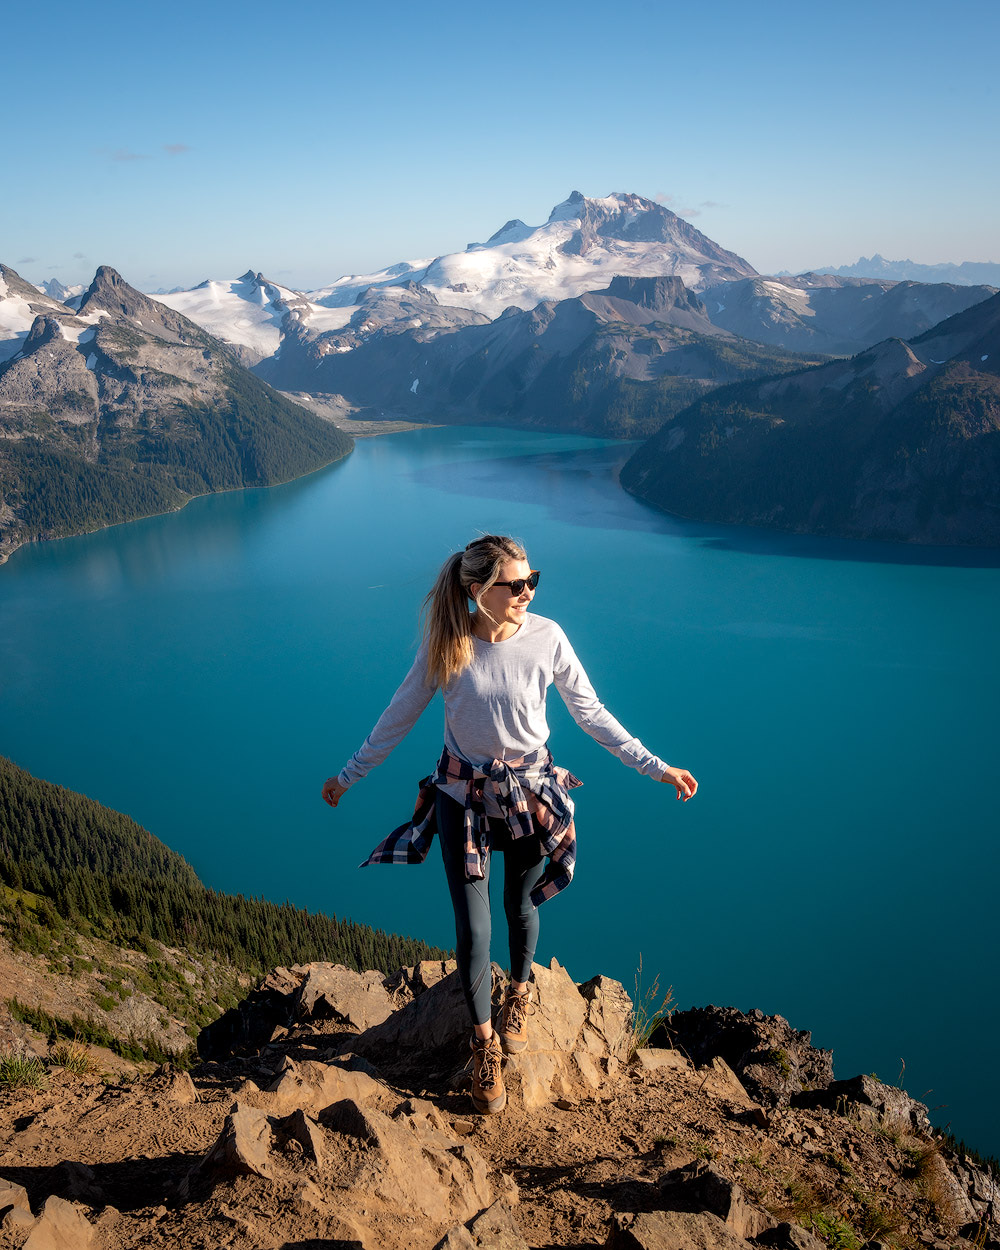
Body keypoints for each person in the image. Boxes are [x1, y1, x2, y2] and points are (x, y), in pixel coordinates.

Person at [322, 534, 697, 1114]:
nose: (528, 592)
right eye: (515, 584)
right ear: (478, 591)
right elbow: (398, 714)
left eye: (532, 580)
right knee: (473, 930)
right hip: (461, 795)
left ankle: (519, 993)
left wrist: (656, 767)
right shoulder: (448, 643)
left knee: (521, 908)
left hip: (527, 793)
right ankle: (484, 1043)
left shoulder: (548, 637)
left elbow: (590, 712)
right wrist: (348, 776)